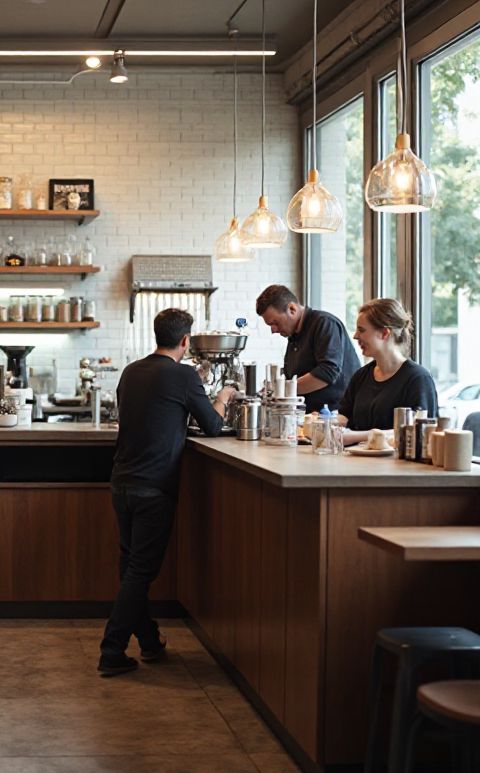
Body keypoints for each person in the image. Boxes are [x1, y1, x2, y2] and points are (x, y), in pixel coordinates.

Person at [99, 308, 234, 677]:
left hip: (122, 482)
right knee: (140, 571)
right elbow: (212, 425)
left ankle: (149, 642)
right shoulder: (184, 375)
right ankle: (111, 650)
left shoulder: (131, 371)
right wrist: (222, 395)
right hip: (153, 486)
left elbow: (157, 411)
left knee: (131, 568)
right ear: (186, 341)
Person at [338, 298, 438, 444]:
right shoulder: (361, 376)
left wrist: (355, 436)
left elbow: (418, 431)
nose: (355, 336)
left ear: (385, 333)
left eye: (361, 330)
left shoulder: (418, 379)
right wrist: (321, 422)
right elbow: (344, 416)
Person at [255, 284, 359, 413]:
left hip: (335, 416)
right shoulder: (295, 335)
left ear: (292, 309)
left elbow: (327, 372)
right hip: (310, 416)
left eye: (275, 323)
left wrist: (282, 390)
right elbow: (293, 377)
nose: (273, 330)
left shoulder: (324, 323)